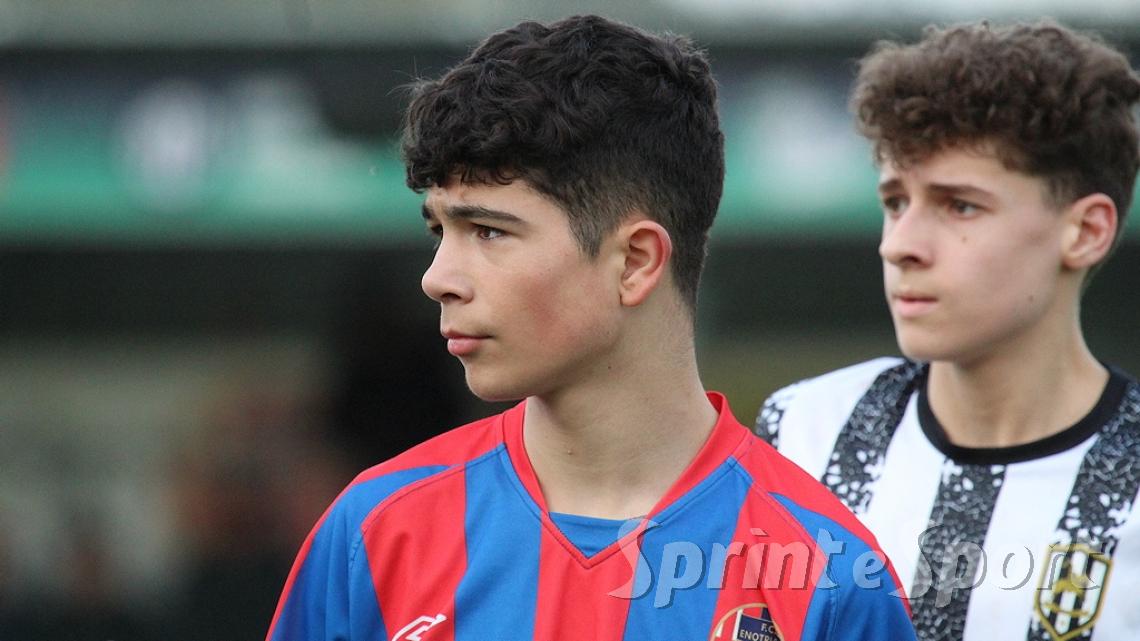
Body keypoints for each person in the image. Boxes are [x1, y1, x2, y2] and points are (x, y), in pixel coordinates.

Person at [266, 14, 915, 641]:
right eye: (441, 230)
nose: (438, 278)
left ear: (635, 262)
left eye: (488, 231)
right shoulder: (374, 535)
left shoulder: (830, 578)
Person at [755, 19, 1140, 641]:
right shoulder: (804, 431)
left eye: (960, 205)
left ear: (1086, 231)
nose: (899, 245)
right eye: (895, 202)